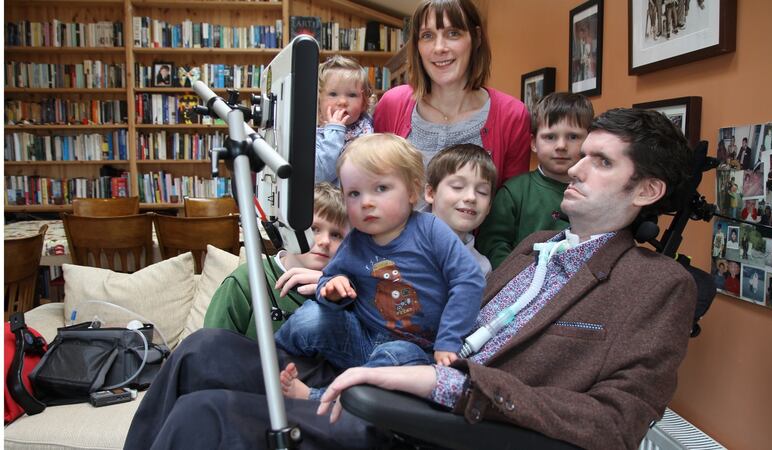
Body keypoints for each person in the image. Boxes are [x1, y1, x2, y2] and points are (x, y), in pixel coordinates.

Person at [123, 108, 698, 450]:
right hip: (393, 361)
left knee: (209, 416)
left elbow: (616, 424)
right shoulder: (536, 248)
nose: (573, 166)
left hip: (437, 420)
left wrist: (445, 386)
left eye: (600, 161)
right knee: (202, 351)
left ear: (646, 191)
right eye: (582, 153)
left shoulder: (656, 285)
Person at [274, 133, 485, 403]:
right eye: (354, 193)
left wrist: (448, 340)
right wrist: (333, 289)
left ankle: (321, 397)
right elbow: (330, 277)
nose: (366, 202)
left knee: (396, 355)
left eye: (381, 189)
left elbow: (468, 280)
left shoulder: (431, 231)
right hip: (359, 337)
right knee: (310, 316)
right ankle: (271, 360)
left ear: (412, 191)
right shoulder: (354, 241)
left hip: (414, 350)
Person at [372, 0, 531, 186]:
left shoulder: (512, 115)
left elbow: (511, 207)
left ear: (476, 37)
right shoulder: (392, 104)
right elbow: (373, 184)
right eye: (427, 35)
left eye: (453, 33)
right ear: (417, 46)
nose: (439, 47)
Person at [203, 183, 349, 339]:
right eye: (313, 229)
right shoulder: (245, 282)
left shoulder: (347, 290)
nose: (325, 241)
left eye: (336, 235)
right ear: (287, 229)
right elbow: (211, 351)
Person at [476, 92, 594, 268]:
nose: (561, 146)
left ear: (589, 140)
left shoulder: (596, 191)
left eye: (573, 137)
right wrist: (517, 275)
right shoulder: (514, 191)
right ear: (533, 142)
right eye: (550, 137)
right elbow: (492, 244)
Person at [423, 143, 497, 277]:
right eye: (457, 187)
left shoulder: (480, 269)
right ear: (430, 193)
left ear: (489, 206)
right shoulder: (398, 236)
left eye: (482, 192)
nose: (471, 197)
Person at [314, 55, 374, 185]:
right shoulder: (317, 135)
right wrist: (335, 131)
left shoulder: (367, 125)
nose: (342, 102)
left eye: (352, 95)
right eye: (333, 94)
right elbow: (320, 175)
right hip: (332, 203)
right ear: (319, 101)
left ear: (364, 103)